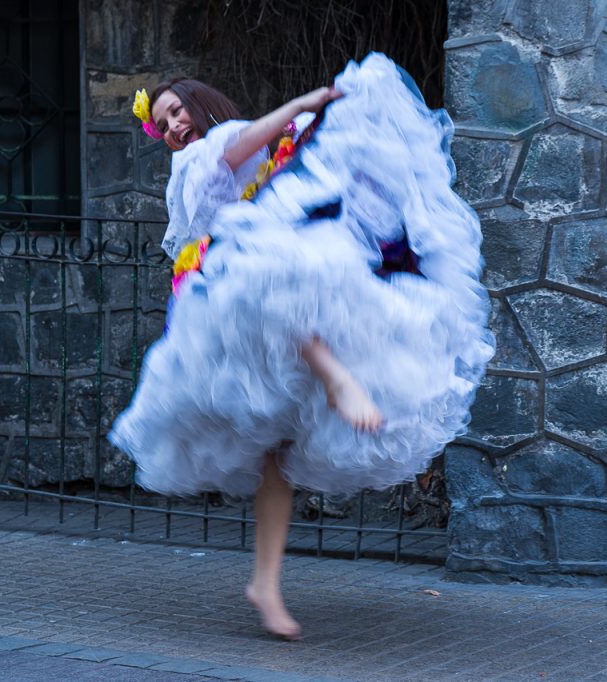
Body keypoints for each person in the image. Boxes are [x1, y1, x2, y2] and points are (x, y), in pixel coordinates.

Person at [109, 53, 495, 641]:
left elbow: (283, 159)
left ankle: (264, 582)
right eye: (161, 124)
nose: (173, 127)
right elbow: (236, 153)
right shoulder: (201, 156)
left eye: (177, 111)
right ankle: (339, 379)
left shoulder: (265, 151)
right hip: (241, 291)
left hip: (256, 298)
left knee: (278, 453)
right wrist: (303, 103)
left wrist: (331, 118)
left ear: (200, 100)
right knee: (282, 270)